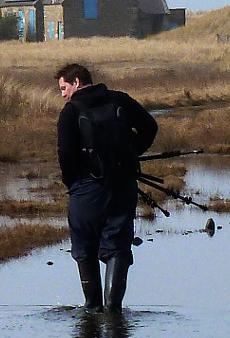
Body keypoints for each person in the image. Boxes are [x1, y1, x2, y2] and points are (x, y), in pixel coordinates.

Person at [55, 62, 158, 312]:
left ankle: (91, 309)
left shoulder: (70, 112)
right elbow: (150, 127)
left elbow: (65, 157)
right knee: (118, 248)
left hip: (86, 191)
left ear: (77, 82)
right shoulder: (120, 100)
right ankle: (113, 312)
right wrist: (131, 155)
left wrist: (75, 184)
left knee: (84, 249)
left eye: (63, 88)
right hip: (124, 186)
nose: (63, 94)